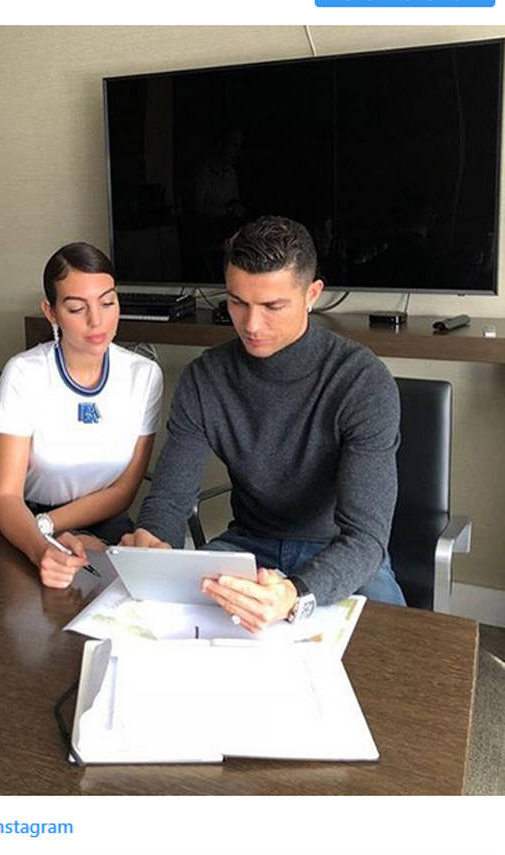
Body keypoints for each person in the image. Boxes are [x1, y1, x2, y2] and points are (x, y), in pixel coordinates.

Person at [123, 215, 405, 630]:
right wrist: (153, 538)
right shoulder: (205, 378)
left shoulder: (362, 382)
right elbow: (169, 498)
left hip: (338, 552)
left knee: (393, 650)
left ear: (312, 294)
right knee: (156, 629)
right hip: (246, 547)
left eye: (273, 306)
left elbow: (366, 538)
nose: (251, 325)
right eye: (237, 303)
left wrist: (294, 593)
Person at [0, 242, 163, 589]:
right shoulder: (25, 373)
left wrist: (55, 526)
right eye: (76, 308)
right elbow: (5, 497)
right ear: (51, 312)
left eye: (107, 303)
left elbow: (124, 490)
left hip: (104, 522)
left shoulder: (144, 376)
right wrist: (42, 545)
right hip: (25, 522)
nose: (96, 320)